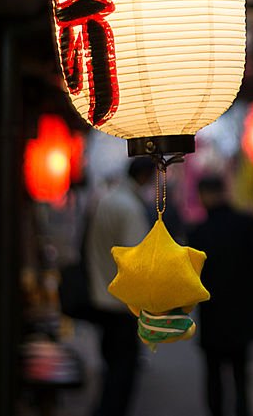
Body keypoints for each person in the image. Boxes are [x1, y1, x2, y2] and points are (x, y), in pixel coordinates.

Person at [188, 176, 253, 416]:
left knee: (213, 375)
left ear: (204, 196)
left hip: (213, 315)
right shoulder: (248, 225)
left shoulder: (199, 233)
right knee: (241, 374)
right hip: (243, 315)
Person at [86, 157, 154, 416]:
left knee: (111, 366)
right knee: (122, 372)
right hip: (121, 304)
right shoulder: (129, 207)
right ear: (145, 177)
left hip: (102, 295)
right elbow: (136, 260)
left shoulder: (108, 200)